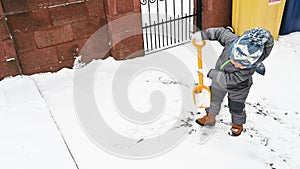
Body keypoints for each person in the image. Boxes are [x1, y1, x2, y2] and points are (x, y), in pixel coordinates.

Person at [193, 27, 274, 136]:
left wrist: (210, 73)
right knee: (213, 100)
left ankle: (237, 125)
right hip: (219, 81)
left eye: (242, 65)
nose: (236, 65)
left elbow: (228, 80)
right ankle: (210, 118)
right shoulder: (232, 41)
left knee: (236, 106)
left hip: (239, 87)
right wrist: (202, 35)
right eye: (234, 60)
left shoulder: (247, 70)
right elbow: (220, 32)